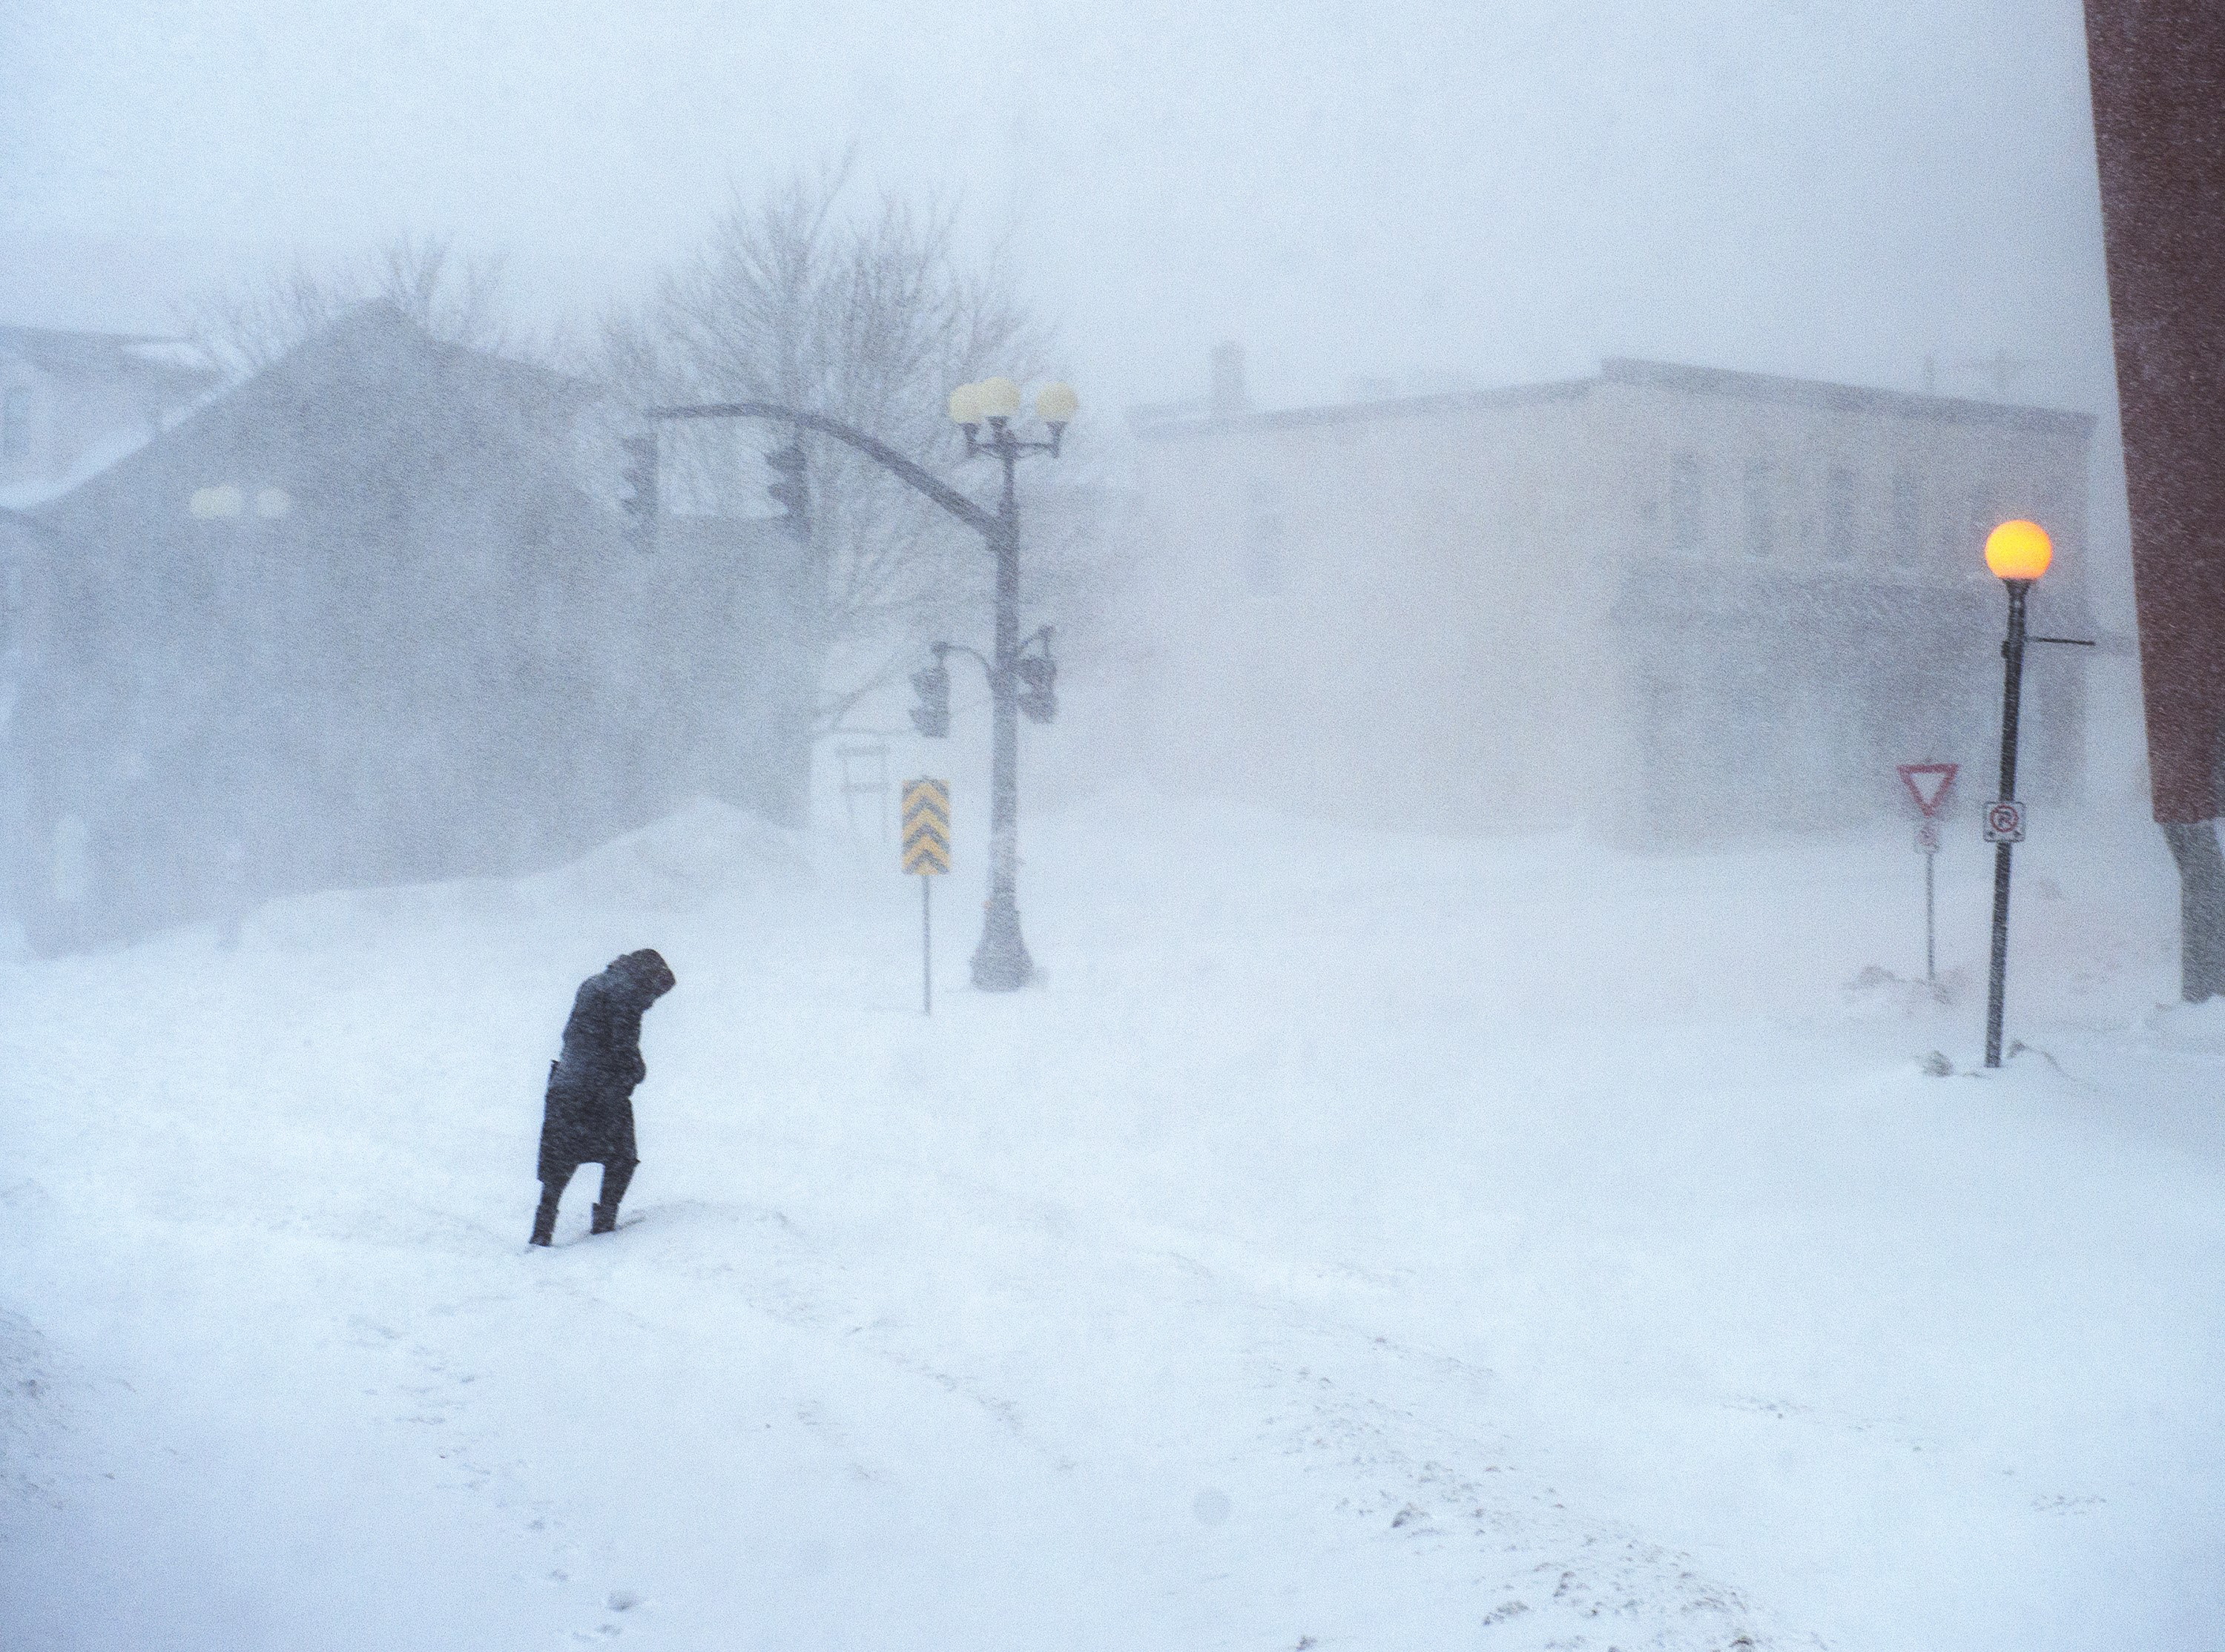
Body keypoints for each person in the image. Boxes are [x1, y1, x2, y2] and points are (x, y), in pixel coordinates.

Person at [530, 948, 676, 1246]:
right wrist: (637, 1071)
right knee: (621, 1156)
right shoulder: (627, 995)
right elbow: (623, 1047)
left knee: (560, 1157)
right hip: (600, 1091)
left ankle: (543, 1229)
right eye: (655, 994)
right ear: (647, 980)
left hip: (567, 1084)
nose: (651, 1003)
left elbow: (575, 1034)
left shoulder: (594, 983)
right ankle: (605, 1221)